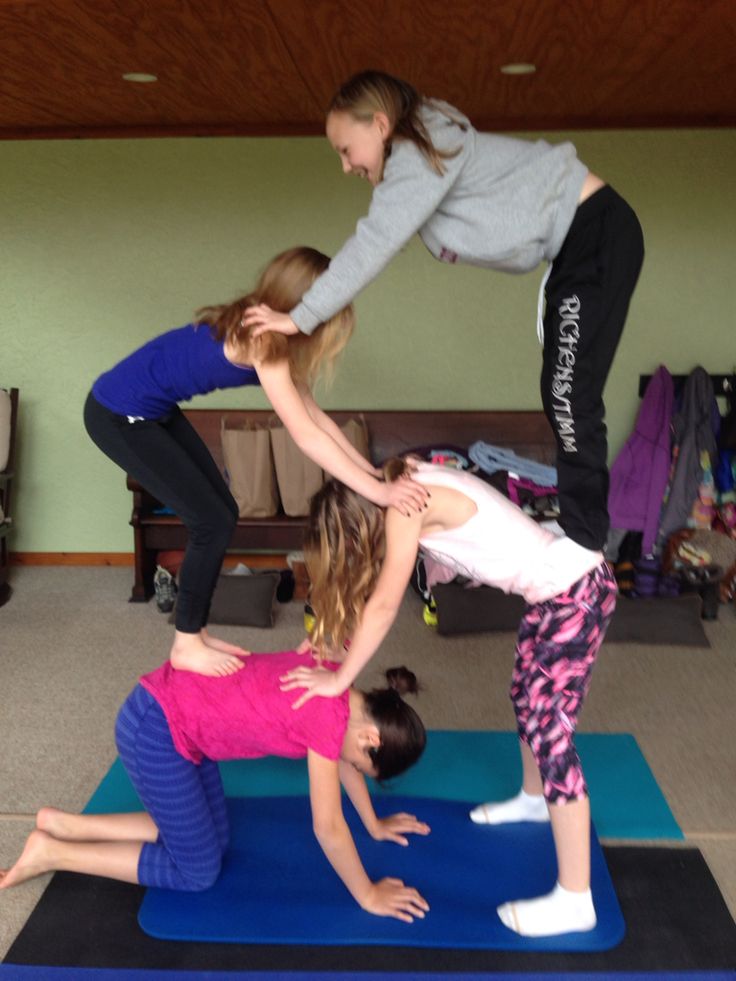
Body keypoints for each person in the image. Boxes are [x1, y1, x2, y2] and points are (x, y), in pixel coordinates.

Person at [243, 69, 645, 566]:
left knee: (568, 392)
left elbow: (373, 242)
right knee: (560, 389)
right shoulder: (423, 159)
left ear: (381, 125)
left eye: (346, 149)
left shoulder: (418, 152)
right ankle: (580, 529)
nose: (346, 166)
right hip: (575, 249)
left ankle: (584, 544)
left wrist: (299, 318)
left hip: (595, 235)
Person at [279, 460, 617, 937]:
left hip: (575, 596)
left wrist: (338, 681)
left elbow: (385, 604)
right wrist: (329, 645)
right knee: (524, 694)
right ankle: (534, 797)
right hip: (557, 591)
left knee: (551, 734)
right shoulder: (403, 485)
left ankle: (575, 899)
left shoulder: (404, 510)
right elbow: (373, 590)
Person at [84, 246, 428, 677]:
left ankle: (195, 631)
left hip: (152, 411)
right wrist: (379, 491)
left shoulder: (266, 326)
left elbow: (316, 418)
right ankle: (187, 643)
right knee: (209, 521)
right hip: (118, 416)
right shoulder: (263, 342)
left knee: (222, 514)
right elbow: (304, 435)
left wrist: (371, 471)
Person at [0, 650, 430, 923]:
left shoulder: (338, 681)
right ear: (370, 739)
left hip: (179, 723)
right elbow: (328, 828)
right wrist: (368, 894)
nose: (349, 765)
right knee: (197, 871)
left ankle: (69, 825)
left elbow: (344, 763)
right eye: (359, 762)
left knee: (214, 838)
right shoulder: (326, 719)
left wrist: (373, 824)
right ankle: (53, 851)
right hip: (155, 730)